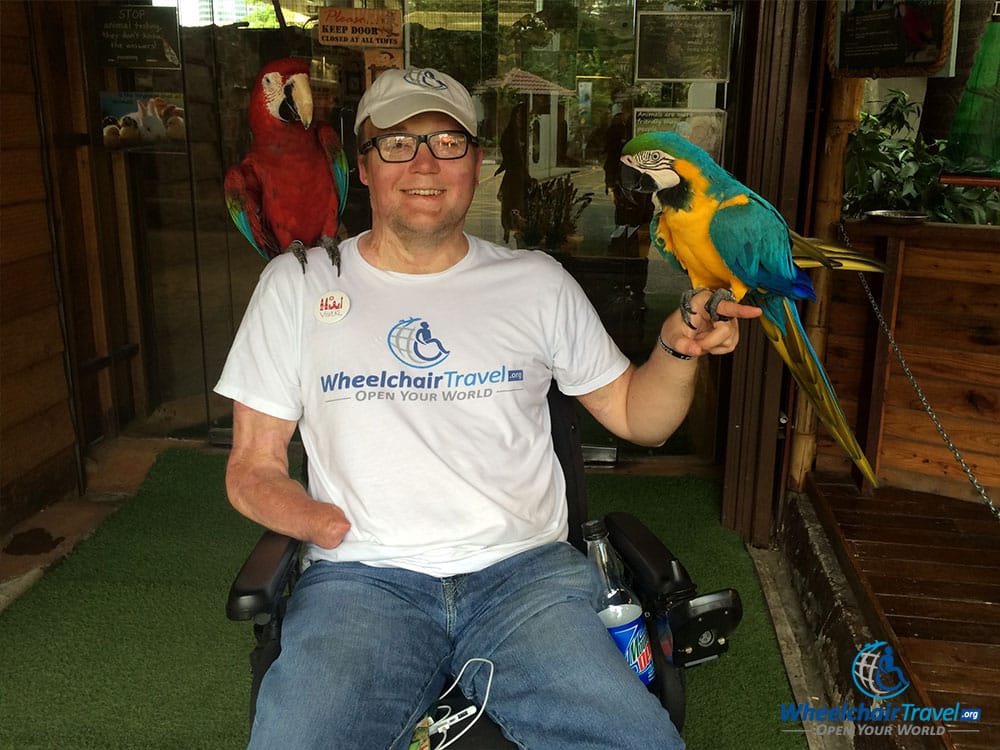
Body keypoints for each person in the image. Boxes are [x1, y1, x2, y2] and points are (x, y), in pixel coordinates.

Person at [216, 66, 761, 749]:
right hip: (362, 586)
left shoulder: (535, 283)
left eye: (447, 142)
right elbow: (252, 465)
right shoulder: (295, 286)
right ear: (361, 166)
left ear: (476, 161)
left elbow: (637, 416)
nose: (423, 164)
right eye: (397, 144)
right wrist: (317, 523)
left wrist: (677, 348)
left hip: (525, 581)